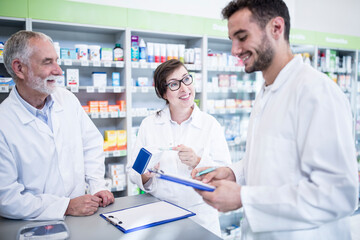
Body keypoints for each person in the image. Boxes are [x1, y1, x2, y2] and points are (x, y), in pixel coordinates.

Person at [192, 0, 359, 239]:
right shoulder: (267, 92)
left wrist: (243, 197)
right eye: (232, 40)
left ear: (276, 28)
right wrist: (233, 173)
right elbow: (273, 163)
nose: (235, 51)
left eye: (242, 37)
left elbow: (339, 195)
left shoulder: (317, 94)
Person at [0, 30, 114, 220]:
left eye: (56, 60)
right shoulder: (4, 122)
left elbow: (91, 143)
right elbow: (7, 198)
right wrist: (65, 206)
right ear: (19, 68)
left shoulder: (66, 99)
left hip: (83, 216)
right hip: (31, 225)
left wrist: (97, 185)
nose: (59, 71)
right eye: (47, 62)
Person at [127, 59, 231, 236]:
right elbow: (133, 171)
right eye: (174, 84)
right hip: (161, 214)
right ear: (163, 93)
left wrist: (197, 161)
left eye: (186, 79)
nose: (184, 89)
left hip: (201, 217)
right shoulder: (149, 125)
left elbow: (226, 175)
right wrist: (146, 174)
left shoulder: (210, 124)